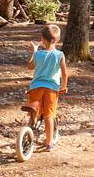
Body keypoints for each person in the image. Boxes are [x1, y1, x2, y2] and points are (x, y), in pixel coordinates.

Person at [26, 23, 68, 151]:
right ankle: (49, 143)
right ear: (58, 40)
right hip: (51, 89)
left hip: (36, 87)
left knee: (33, 111)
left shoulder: (38, 54)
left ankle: (28, 136)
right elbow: (65, 74)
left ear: (42, 39)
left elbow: (30, 67)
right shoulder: (60, 55)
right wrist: (63, 86)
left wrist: (34, 52)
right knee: (49, 115)